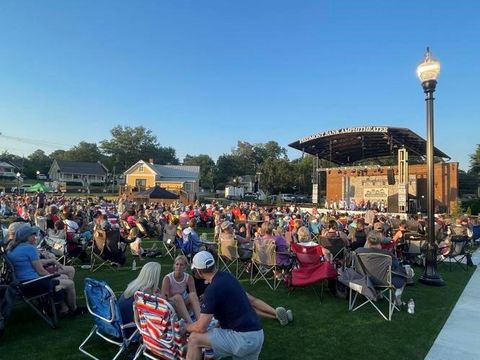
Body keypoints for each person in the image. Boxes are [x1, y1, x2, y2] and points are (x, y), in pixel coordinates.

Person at [186, 251, 264, 360]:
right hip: (257, 335)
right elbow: (229, 309)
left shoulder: (212, 289)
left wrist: (185, 327)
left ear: (198, 271)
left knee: (194, 339)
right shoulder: (228, 276)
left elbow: (200, 327)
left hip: (242, 339)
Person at [7, 224, 83, 316]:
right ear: (27, 237)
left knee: (64, 277)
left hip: (22, 283)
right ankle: (73, 309)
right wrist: (53, 278)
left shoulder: (13, 248)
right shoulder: (29, 248)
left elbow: (33, 263)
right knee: (69, 283)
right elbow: (41, 271)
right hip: (31, 284)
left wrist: (52, 262)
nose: (35, 236)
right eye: (33, 234)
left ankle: (64, 307)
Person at [118, 262, 162, 334]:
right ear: (154, 276)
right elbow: (145, 316)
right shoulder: (145, 292)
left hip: (120, 323)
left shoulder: (135, 285)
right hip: (131, 328)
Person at [161, 255, 201, 324]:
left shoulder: (188, 278)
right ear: (174, 266)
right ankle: (191, 324)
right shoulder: (168, 278)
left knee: (193, 295)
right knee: (177, 297)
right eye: (177, 264)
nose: (179, 266)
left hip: (183, 302)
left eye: (181, 265)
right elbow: (164, 299)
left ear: (185, 267)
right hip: (171, 304)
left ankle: (201, 321)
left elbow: (193, 295)